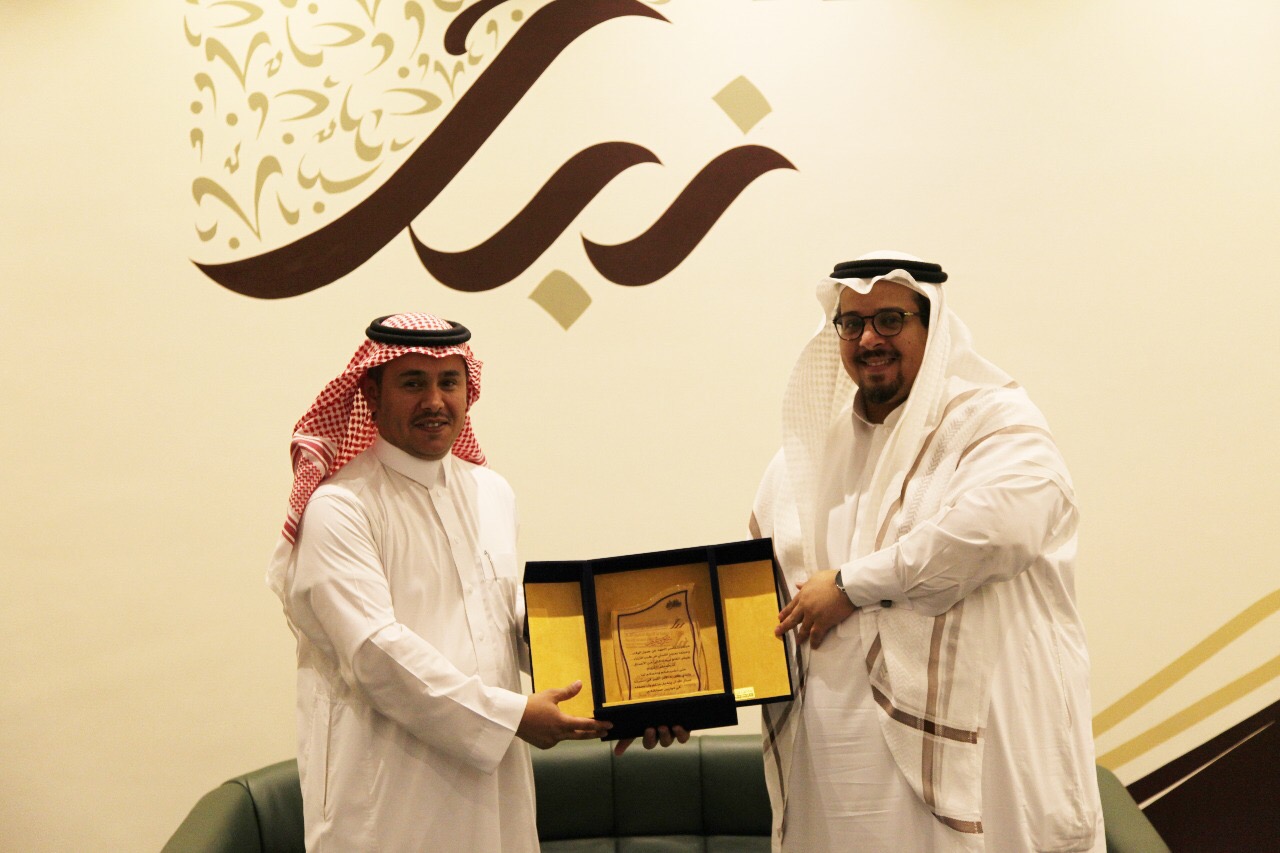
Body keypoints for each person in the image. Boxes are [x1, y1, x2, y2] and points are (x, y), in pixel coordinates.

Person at [750, 253, 1104, 852]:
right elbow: (753, 601)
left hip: (977, 764)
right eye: (852, 323)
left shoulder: (993, 424)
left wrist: (849, 586)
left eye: (890, 320)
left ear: (931, 324)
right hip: (838, 775)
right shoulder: (803, 460)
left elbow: (995, 532)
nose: (869, 339)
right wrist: (678, 700)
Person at [266, 312, 611, 852]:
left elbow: (504, 623)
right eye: (413, 383)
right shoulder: (340, 507)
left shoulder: (491, 492)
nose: (435, 401)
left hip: (493, 787)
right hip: (390, 793)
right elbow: (375, 653)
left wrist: (628, 696)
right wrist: (511, 716)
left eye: (449, 382)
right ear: (371, 394)